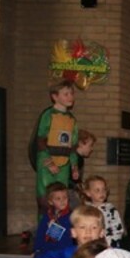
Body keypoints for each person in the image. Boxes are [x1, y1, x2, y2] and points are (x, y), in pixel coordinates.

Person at [33, 81, 80, 217]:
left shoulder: (71, 119)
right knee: (46, 198)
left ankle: (59, 226)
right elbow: (40, 140)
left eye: (71, 93)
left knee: (62, 198)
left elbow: (73, 145)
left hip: (64, 163)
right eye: (66, 94)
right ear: (55, 96)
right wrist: (49, 162)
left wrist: (74, 166)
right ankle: (44, 226)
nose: (70, 97)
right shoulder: (48, 115)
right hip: (48, 163)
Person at [23, 182, 74, 258]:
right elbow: (41, 233)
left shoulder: (70, 216)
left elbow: (69, 235)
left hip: (62, 248)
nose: (62, 201)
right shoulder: (47, 216)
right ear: (51, 202)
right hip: (47, 248)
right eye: (58, 199)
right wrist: (36, 249)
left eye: (65, 198)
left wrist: (56, 227)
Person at [83, 175, 124, 247]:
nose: (101, 193)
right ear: (88, 193)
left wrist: (111, 243)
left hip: (109, 244)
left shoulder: (110, 209)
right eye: (97, 190)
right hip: (91, 245)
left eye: (103, 189)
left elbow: (118, 229)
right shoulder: (86, 210)